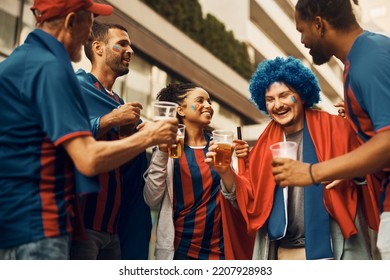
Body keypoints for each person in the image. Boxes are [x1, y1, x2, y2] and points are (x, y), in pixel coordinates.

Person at [0, 0, 177, 260]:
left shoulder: (19, 62)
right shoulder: (50, 68)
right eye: (90, 24)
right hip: (38, 227)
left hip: (15, 223)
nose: (89, 34)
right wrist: (149, 136)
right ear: (72, 21)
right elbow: (88, 158)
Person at [210, 56, 378, 260]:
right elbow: (249, 200)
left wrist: (350, 171)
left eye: (284, 95)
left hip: (338, 248)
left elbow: (371, 173)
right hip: (284, 252)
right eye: (270, 99)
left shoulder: (337, 128)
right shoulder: (263, 145)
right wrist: (225, 171)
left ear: (302, 95)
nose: (277, 104)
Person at [272, 0, 390, 259]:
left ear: (319, 24)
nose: (302, 40)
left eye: (302, 30)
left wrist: (313, 172)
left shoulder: (368, 60)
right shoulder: (362, 58)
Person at [143, 83, 254, 260]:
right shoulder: (168, 148)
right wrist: (163, 152)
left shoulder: (220, 147)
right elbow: (152, 199)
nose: (209, 106)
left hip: (220, 249)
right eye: (200, 100)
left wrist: (240, 164)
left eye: (209, 101)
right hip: (179, 251)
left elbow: (235, 198)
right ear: (180, 110)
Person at [69, 22, 151, 260]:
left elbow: (121, 163)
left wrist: (132, 136)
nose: (130, 51)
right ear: (99, 48)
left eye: (131, 45)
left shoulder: (119, 102)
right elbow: (61, 138)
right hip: (81, 228)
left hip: (114, 231)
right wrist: (109, 120)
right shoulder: (75, 87)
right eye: (122, 44)